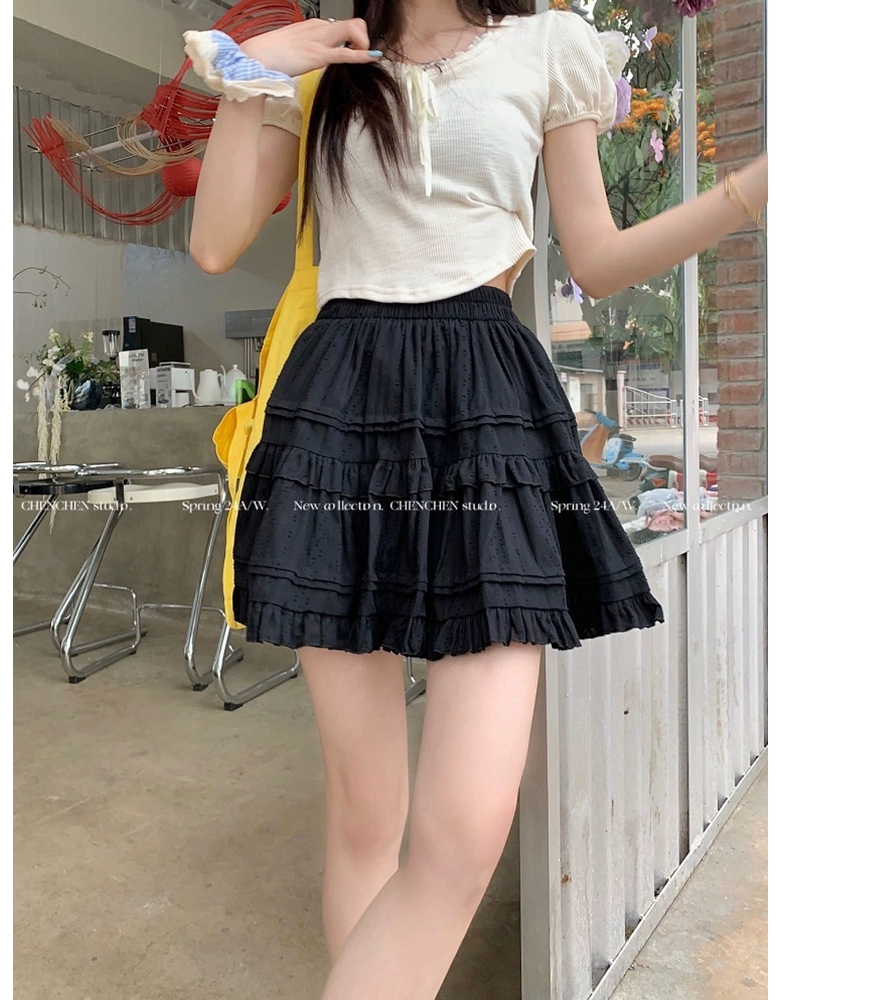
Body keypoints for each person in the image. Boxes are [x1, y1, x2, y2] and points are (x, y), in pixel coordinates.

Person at [187, 4, 767, 999]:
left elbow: (596, 256)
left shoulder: (547, 45)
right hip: (339, 405)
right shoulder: (327, 57)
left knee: (460, 837)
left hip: (486, 402)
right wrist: (255, 69)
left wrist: (747, 194)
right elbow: (212, 244)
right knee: (364, 816)